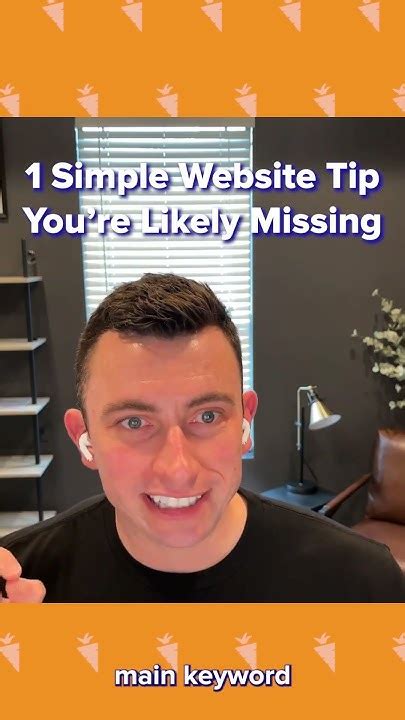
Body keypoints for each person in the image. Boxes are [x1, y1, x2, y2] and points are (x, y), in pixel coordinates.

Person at [0, 273, 404, 603]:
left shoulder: (363, 585)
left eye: (207, 416)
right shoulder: (20, 585)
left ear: (245, 422)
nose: (178, 469)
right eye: (134, 423)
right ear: (84, 438)